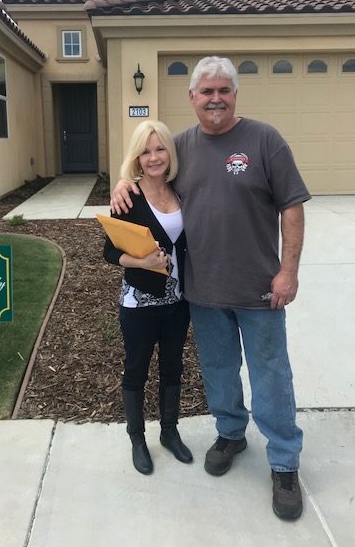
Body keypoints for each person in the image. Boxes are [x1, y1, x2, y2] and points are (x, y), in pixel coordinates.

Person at [111, 57, 310, 519]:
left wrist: (289, 272)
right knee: (219, 370)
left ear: (234, 94)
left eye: (223, 90)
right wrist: (123, 181)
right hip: (201, 291)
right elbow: (149, 169)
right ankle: (231, 433)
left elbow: (293, 208)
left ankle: (283, 461)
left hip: (261, 290)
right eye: (207, 92)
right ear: (193, 98)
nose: (215, 98)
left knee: (271, 376)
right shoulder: (180, 147)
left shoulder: (265, 140)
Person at [103, 120, 193, 475]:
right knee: (136, 368)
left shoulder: (182, 190)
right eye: (146, 150)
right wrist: (141, 261)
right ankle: (137, 438)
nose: (154, 157)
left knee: (173, 366)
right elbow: (109, 252)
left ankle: (169, 432)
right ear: (136, 157)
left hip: (179, 300)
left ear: (169, 153)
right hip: (139, 302)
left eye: (160, 149)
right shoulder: (128, 198)